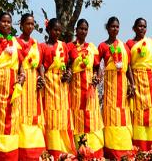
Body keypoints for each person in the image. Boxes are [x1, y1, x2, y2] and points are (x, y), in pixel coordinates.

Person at [0, 13, 26, 161]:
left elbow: (21, 66)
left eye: (9, 22)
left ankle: (10, 156)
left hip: (13, 91)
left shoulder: (15, 44)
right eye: (3, 21)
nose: (6, 24)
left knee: (12, 122)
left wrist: (22, 76)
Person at [126, 18, 152, 151]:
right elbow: (128, 66)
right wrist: (131, 84)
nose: (142, 29)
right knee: (138, 112)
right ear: (134, 28)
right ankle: (140, 146)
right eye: (139, 26)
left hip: (151, 80)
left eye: (144, 26)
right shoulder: (129, 44)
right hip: (136, 80)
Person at [98, 16, 135, 160]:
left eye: (117, 26)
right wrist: (98, 77)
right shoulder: (102, 46)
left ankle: (125, 150)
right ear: (107, 28)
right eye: (112, 26)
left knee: (123, 117)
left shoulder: (124, 46)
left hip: (123, 87)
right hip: (109, 86)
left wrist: (132, 84)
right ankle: (111, 151)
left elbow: (129, 68)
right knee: (111, 116)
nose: (115, 29)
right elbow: (98, 65)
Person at [68, 19, 104, 158]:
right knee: (78, 117)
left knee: (92, 116)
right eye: (81, 28)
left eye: (85, 29)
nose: (83, 31)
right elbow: (67, 65)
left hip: (90, 88)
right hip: (76, 88)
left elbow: (97, 67)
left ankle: (94, 151)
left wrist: (97, 77)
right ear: (76, 30)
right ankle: (80, 151)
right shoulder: (70, 47)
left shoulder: (92, 48)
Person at [41, 18, 75, 158]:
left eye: (60, 30)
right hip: (49, 82)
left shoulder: (64, 46)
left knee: (63, 114)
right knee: (50, 114)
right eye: (55, 30)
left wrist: (69, 73)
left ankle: (64, 147)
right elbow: (41, 65)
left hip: (62, 84)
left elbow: (69, 63)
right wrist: (42, 78)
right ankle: (52, 148)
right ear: (49, 30)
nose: (57, 32)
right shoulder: (42, 46)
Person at [16, 14, 46, 160]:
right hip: (22, 82)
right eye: (27, 24)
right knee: (22, 113)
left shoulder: (36, 44)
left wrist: (41, 77)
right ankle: (22, 150)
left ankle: (36, 151)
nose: (30, 27)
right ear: (21, 25)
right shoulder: (16, 42)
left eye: (32, 24)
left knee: (35, 114)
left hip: (34, 83)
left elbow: (40, 65)